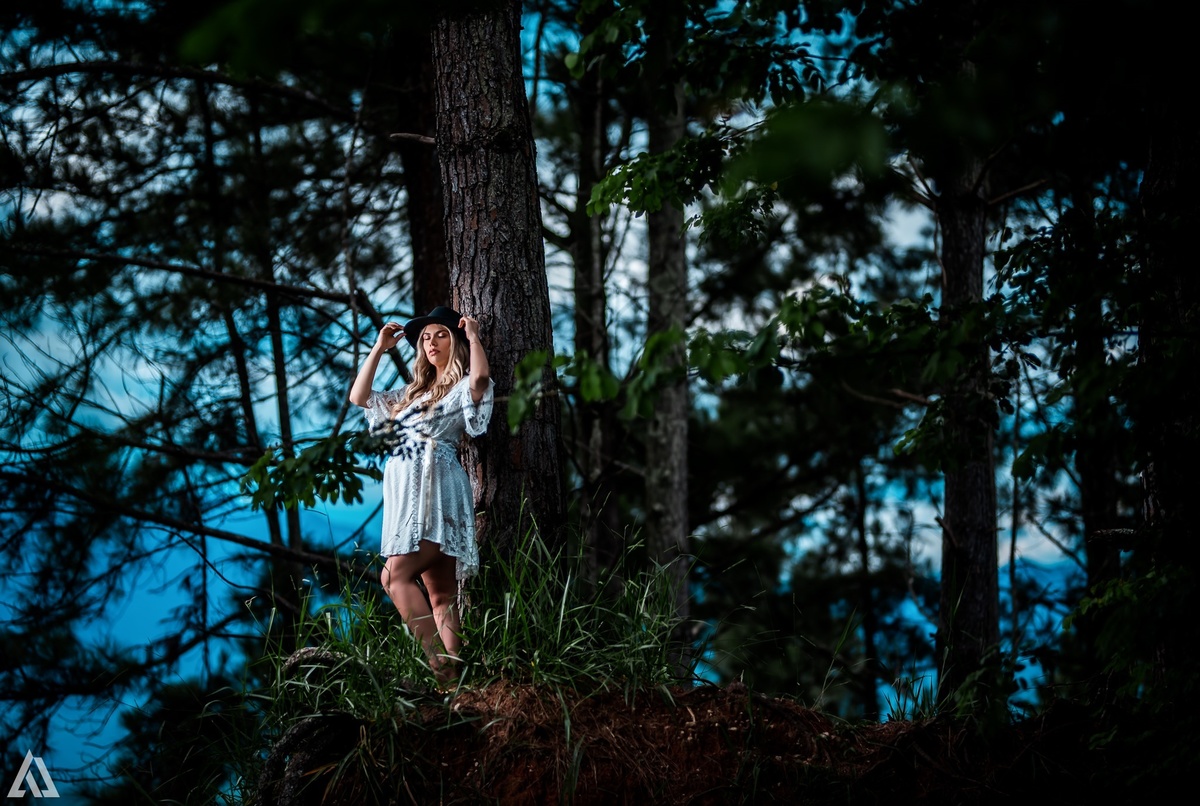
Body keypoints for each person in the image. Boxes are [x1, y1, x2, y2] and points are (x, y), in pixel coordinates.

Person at [349, 305, 494, 685]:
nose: (431, 342)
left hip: (437, 492)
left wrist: (474, 335)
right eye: (425, 338)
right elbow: (359, 397)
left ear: (455, 342)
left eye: (441, 335)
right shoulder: (410, 394)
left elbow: (480, 377)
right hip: (410, 497)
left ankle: (442, 671)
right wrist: (379, 348)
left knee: (393, 577)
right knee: (441, 595)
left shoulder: (461, 386)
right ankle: (458, 687)